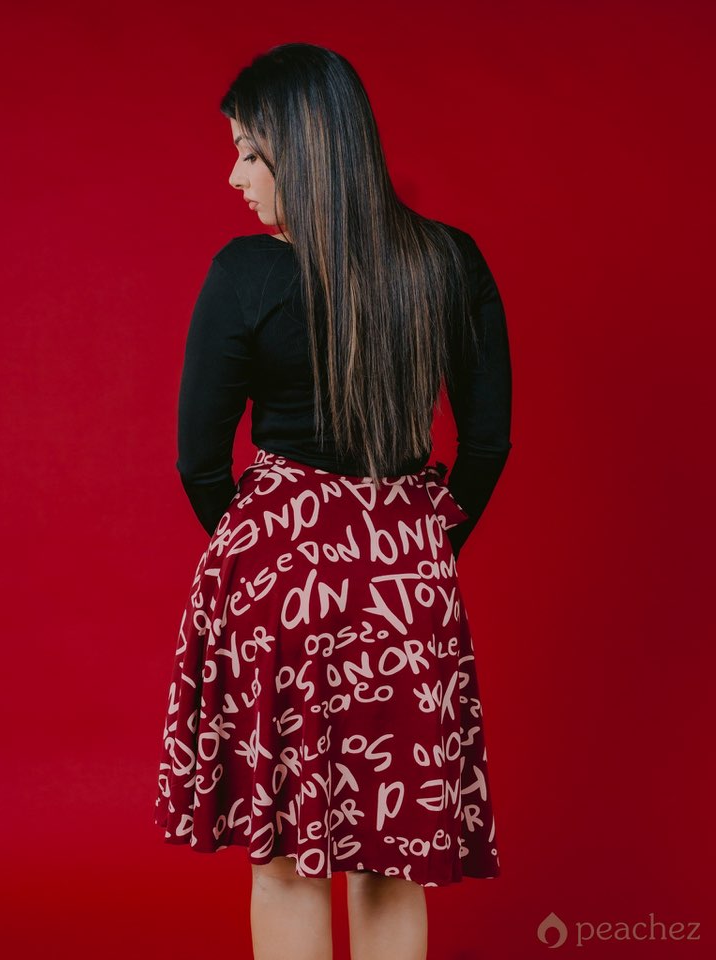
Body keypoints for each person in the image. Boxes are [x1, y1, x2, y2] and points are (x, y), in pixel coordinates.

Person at [154, 42, 513, 960]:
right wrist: (417, 552)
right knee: (392, 861)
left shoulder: (244, 273)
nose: (234, 176)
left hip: (277, 588)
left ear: (306, 149)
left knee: (283, 863)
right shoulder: (449, 261)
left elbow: (200, 462)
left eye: (250, 151)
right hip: (407, 585)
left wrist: (268, 546)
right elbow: (486, 445)